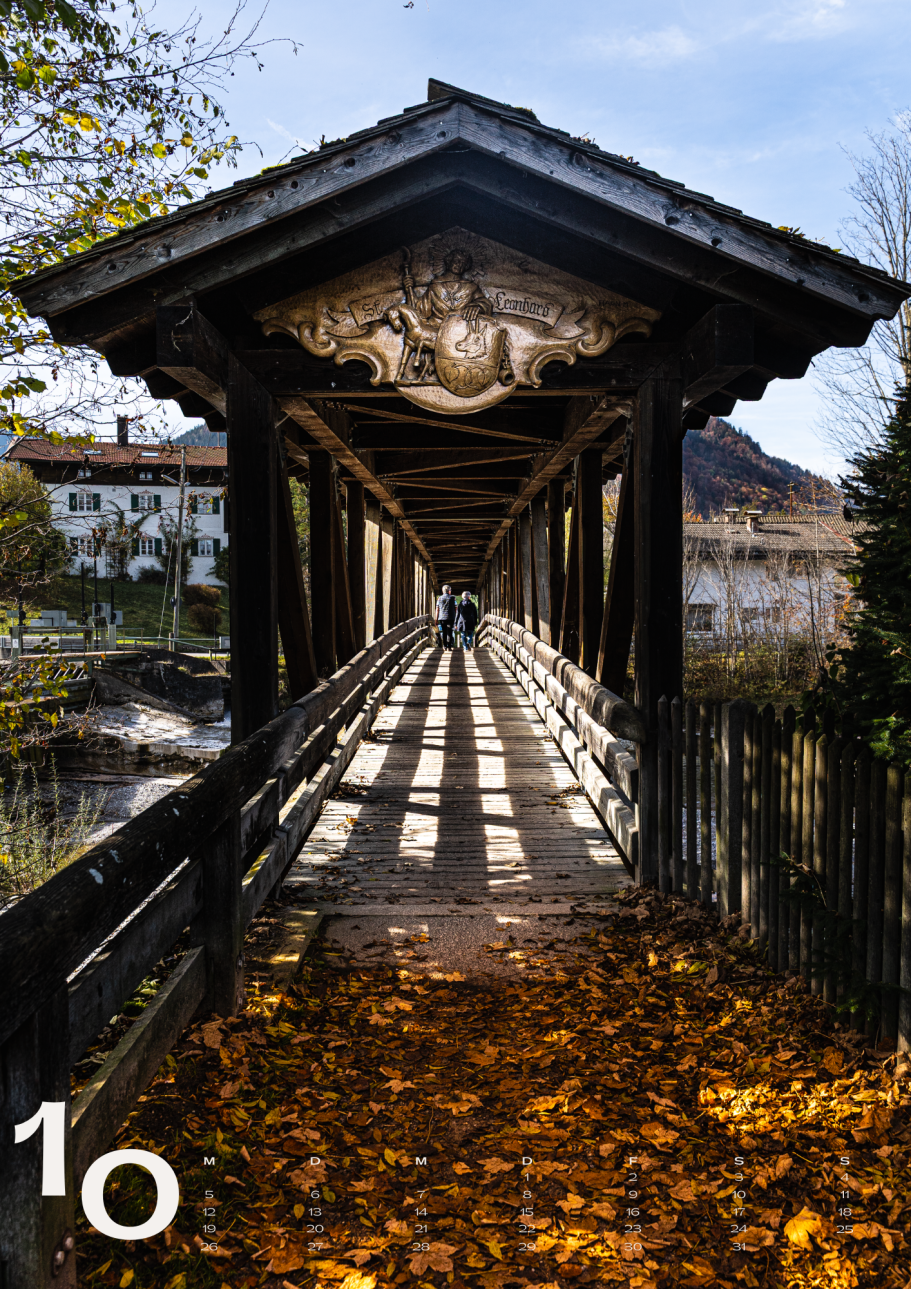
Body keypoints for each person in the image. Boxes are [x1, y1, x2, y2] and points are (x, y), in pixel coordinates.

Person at [435, 584, 457, 650]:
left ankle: (444, 645)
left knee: (444, 632)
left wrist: (436, 619)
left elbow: (437, 609)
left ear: (443, 591)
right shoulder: (453, 598)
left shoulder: (439, 598)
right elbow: (456, 608)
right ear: (449, 591)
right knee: (449, 632)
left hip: (442, 617)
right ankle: (449, 647)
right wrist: (457, 618)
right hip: (451, 617)